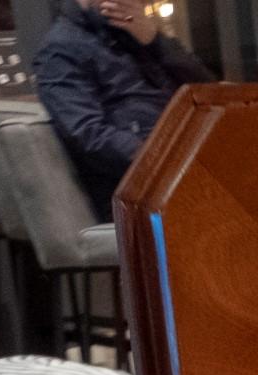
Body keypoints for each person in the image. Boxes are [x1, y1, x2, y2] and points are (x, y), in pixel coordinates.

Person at [34, 0, 212, 218]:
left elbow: (206, 91)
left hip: (186, 170)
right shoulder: (60, 50)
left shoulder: (133, 33)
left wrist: (155, 40)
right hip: (137, 196)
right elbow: (89, 134)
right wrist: (163, 162)